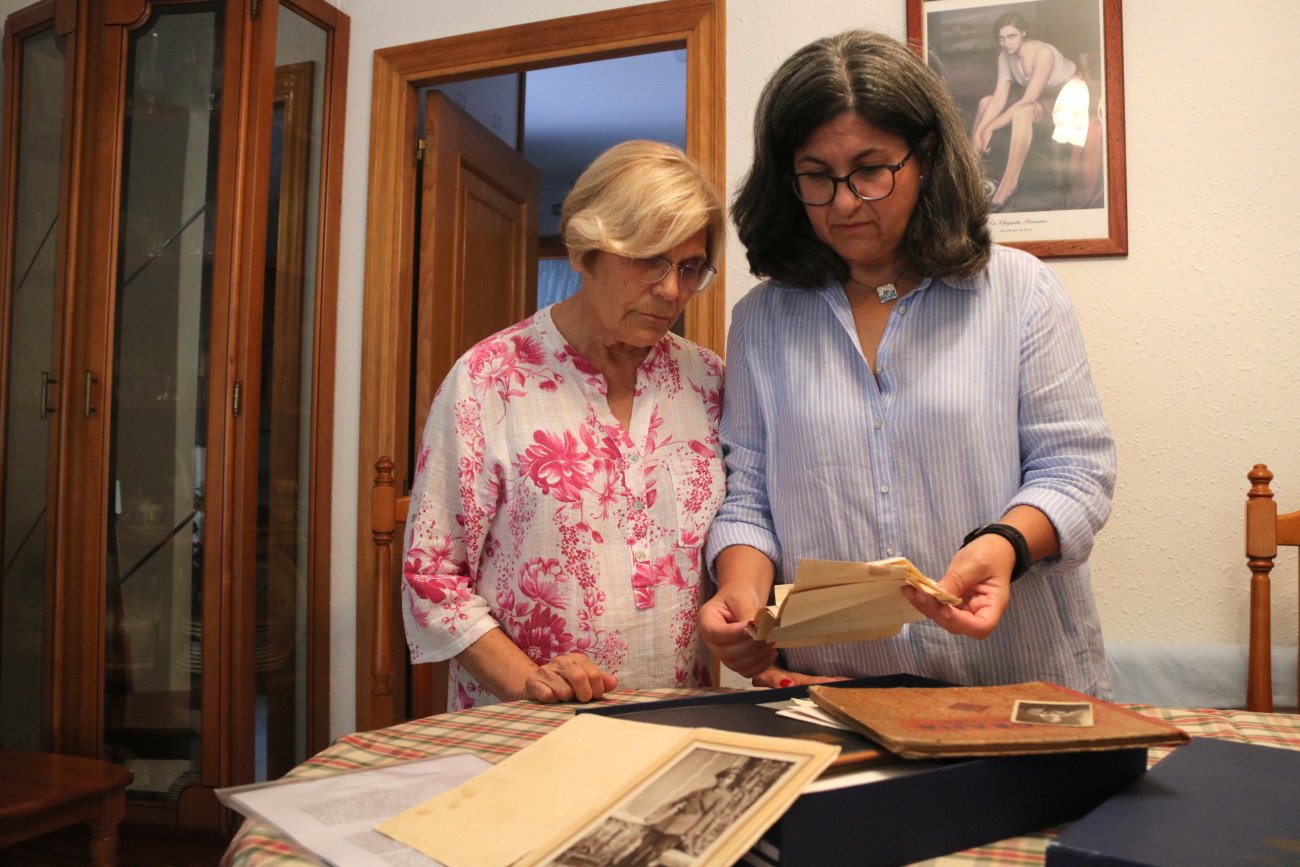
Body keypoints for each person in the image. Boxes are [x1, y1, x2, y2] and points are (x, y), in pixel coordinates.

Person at [699, 30, 1116, 697]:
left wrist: (1005, 544)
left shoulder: (1018, 290)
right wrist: (743, 593)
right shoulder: (761, 322)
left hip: (1015, 686)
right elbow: (748, 495)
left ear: (925, 158)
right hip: (832, 696)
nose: (843, 202)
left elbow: (1077, 470)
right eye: (816, 175)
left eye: (870, 170)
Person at [401, 140, 727, 711]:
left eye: (690, 267)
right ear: (586, 250)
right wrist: (529, 681)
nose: (672, 290)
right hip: (526, 727)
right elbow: (433, 576)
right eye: (650, 259)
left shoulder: (708, 382)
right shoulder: (490, 379)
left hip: (679, 718)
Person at [969, 12, 1077, 211]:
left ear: (1023, 33)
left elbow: (1029, 99)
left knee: (1023, 111)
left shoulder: (1043, 53)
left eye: (1012, 36)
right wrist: (979, 132)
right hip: (1036, 96)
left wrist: (990, 127)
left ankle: (1009, 185)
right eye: (1001, 38)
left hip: (1067, 96)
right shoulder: (1004, 56)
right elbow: (1000, 96)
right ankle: (969, 174)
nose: (1006, 43)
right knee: (985, 102)